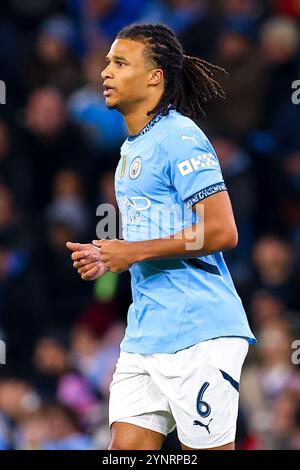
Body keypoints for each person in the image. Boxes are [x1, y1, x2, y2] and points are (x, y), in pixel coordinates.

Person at [66, 23, 256, 450]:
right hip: (145, 333)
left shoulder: (181, 136)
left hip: (198, 330)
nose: (105, 73)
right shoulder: (129, 151)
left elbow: (222, 231)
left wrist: (131, 252)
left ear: (155, 77)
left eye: (119, 62)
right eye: (106, 62)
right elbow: (151, 239)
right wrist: (106, 255)